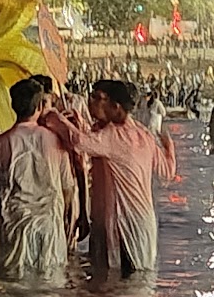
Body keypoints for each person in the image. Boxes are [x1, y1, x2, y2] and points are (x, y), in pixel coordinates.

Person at [47, 78, 176, 275]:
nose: (91, 102)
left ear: (115, 107)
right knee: (133, 280)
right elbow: (168, 171)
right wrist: (168, 146)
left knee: (115, 279)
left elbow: (79, 141)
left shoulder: (114, 135)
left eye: (98, 98)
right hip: (142, 222)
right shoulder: (143, 134)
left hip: (122, 223)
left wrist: (55, 119)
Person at [0, 77, 75, 279]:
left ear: (13, 105)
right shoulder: (56, 141)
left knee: (13, 288)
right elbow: (67, 189)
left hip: (13, 227)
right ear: (39, 107)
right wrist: (61, 220)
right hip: (49, 229)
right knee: (50, 288)